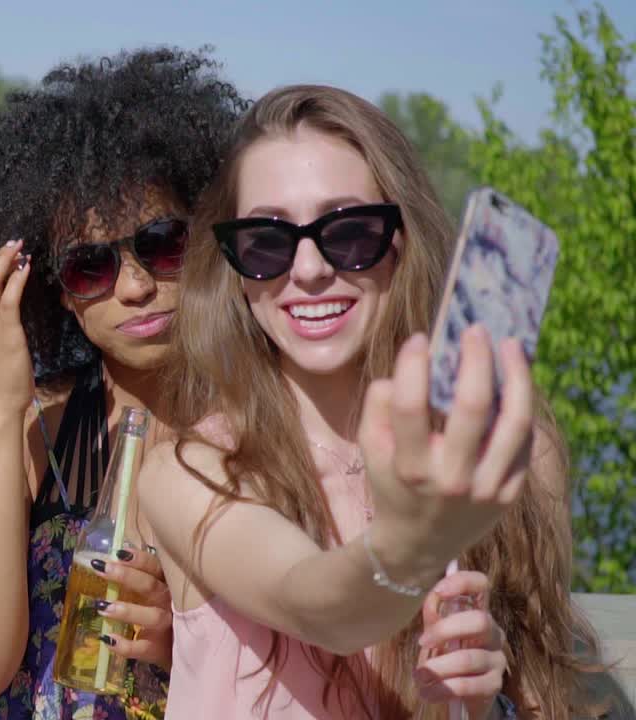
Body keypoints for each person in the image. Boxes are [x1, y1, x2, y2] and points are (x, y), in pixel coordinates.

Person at [140, 84, 602, 719]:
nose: (307, 270)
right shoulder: (191, 470)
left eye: (350, 231)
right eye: (265, 241)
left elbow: (552, 702)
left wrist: (486, 701)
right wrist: (417, 543)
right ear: (234, 272)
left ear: (402, 240)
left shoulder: (511, 454)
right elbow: (316, 605)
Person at [0, 48, 246, 719]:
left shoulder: (265, 426)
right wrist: (0, 400)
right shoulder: (25, 424)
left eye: (163, 243)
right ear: (53, 292)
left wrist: (178, 640)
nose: (138, 287)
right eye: (91, 267)